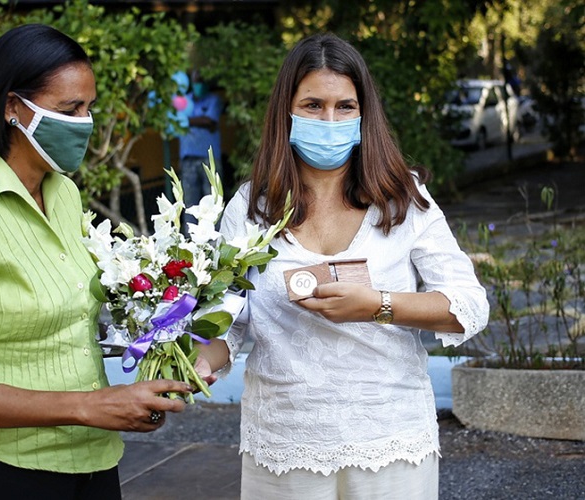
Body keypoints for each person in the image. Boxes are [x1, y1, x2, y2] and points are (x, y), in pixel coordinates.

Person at [197, 33, 490, 499]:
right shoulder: (252, 206)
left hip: (390, 440)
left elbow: (469, 306)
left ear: (363, 113)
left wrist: (379, 305)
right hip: (284, 443)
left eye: (345, 107)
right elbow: (229, 321)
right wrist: (199, 360)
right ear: (286, 112)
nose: (329, 120)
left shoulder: (402, 198)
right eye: (313, 105)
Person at [0, 24, 190, 499]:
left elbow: (70, 322)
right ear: (12, 107)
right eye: (69, 110)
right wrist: (87, 406)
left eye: (88, 108)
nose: (84, 123)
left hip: (92, 458)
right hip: (3, 470)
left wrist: (160, 336)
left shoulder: (63, 193)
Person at [179, 68, 223, 227]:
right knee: (189, 205)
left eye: (202, 81)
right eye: (197, 81)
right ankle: (189, 243)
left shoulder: (214, 100)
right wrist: (198, 121)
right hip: (188, 158)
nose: (199, 84)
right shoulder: (184, 101)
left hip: (210, 159)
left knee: (214, 203)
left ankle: (216, 242)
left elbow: (209, 122)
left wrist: (186, 121)